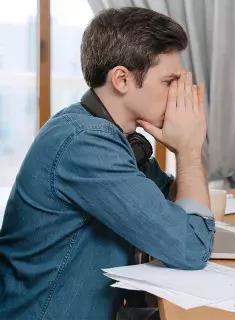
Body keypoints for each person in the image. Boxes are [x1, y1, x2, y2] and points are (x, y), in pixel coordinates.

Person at [0, 7, 214, 320]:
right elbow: (192, 246)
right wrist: (189, 150)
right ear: (122, 79)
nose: (178, 96)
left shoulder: (104, 131)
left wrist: (186, 151)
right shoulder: (87, 142)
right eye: (170, 82)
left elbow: (175, 210)